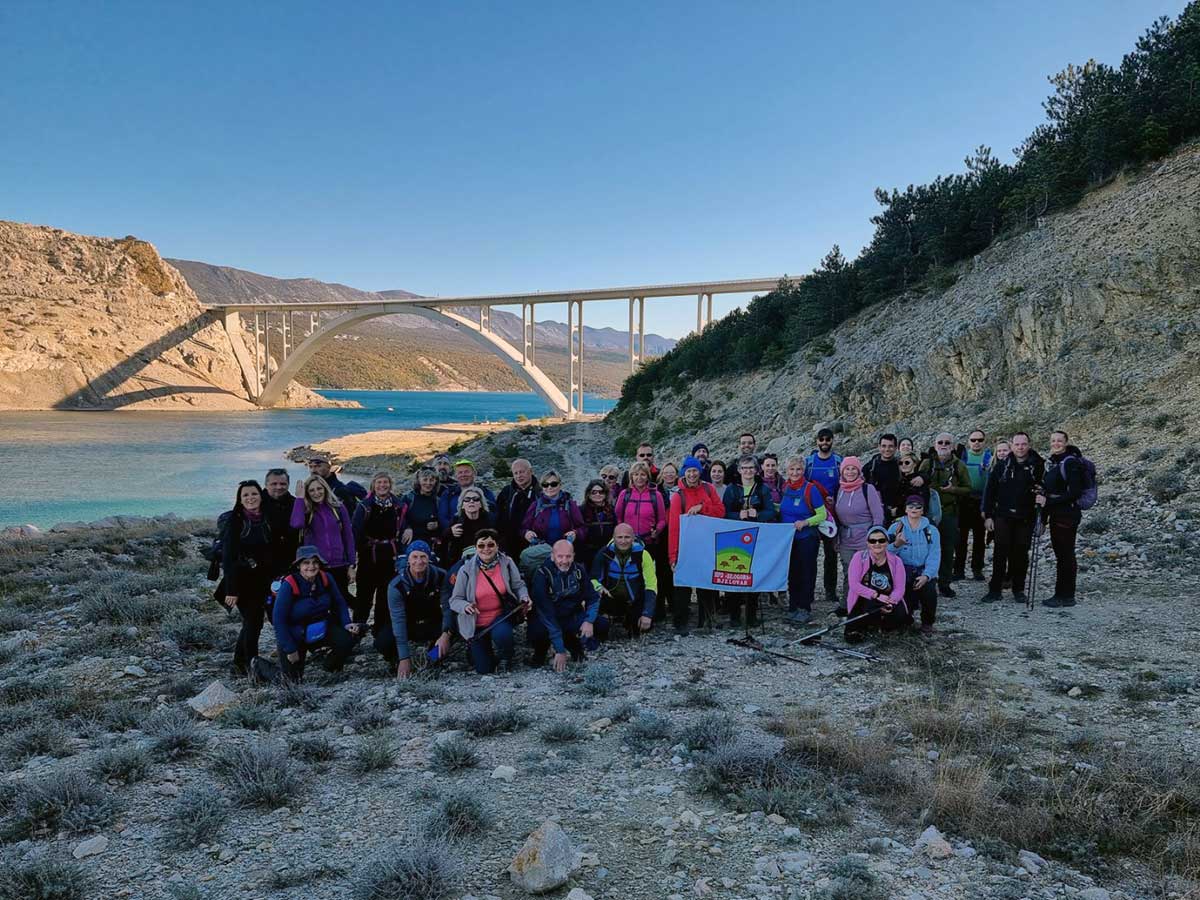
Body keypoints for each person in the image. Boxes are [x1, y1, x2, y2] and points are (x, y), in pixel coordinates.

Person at [271, 545, 363, 681]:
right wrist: (290, 649)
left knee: (347, 638)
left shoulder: (326, 578)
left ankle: (330, 667)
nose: (311, 566)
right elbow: (278, 620)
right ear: (298, 566)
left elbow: (339, 602)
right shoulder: (289, 584)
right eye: (306, 563)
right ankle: (259, 666)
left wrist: (346, 623)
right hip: (296, 634)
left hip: (321, 626)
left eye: (315, 562)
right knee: (291, 681)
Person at [448, 529, 532, 675]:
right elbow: (454, 600)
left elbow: (518, 586)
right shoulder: (465, 570)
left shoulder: (507, 563)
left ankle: (506, 656)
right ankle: (480, 652)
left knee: (502, 634)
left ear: (497, 546)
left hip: (501, 616)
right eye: (481, 545)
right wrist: (465, 606)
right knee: (484, 669)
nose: (486, 549)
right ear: (475, 548)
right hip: (476, 623)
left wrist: (524, 597)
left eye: (490, 545)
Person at [981, 432, 1044, 604]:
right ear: (1012, 445)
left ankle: (1018, 589)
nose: (1020, 448)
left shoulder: (1038, 465)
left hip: (1026, 517)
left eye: (1023, 444)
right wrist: (988, 516)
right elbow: (989, 492)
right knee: (1000, 553)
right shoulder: (1002, 466)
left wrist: (1042, 520)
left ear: (1029, 445)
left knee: (1021, 554)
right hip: (1003, 515)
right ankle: (995, 589)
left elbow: (1043, 493)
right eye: (1017, 444)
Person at [667, 456, 726, 633]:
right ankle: (680, 622)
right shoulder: (678, 496)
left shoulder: (708, 489)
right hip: (686, 546)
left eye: (695, 471)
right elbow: (674, 528)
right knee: (683, 586)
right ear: (683, 473)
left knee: (706, 583)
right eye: (689, 471)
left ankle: (706, 620)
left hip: (706, 544)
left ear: (699, 472)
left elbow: (721, 511)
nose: (692, 474)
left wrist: (702, 508)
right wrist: (673, 556)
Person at [221, 480, 274, 676]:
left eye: (254, 494)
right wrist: (231, 590)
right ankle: (253, 666)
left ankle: (239, 663)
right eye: (245, 495)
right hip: (242, 582)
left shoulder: (266, 518)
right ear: (240, 499)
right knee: (253, 622)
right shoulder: (236, 522)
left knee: (253, 622)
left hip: (263, 581)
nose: (250, 498)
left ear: (261, 496)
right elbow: (228, 559)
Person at [529, 540, 607, 671]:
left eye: (568, 556)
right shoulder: (542, 575)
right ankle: (540, 653)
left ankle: (575, 643)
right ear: (552, 556)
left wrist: (589, 621)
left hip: (571, 615)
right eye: (560, 556)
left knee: (602, 624)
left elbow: (593, 597)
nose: (564, 561)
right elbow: (546, 614)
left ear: (573, 556)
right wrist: (560, 650)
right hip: (548, 618)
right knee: (537, 632)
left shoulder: (579, 571)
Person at [381, 541, 453, 676]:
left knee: (454, 630)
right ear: (408, 559)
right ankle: (397, 660)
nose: (419, 561)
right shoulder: (396, 586)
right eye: (414, 557)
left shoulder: (441, 576)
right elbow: (398, 621)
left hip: (433, 622)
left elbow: (447, 608)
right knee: (383, 641)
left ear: (429, 558)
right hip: (408, 623)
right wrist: (404, 658)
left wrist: (445, 634)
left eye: (423, 557)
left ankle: (432, 658)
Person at [722, 455, 777, 626]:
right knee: (734, 575)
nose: (748, 471)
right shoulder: (731, 489)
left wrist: (758, 514)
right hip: (735, 536)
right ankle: (734, 616)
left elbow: (771, 511)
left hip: (757, 536)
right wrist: (737, 515)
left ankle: (751, 616)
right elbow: (724, 513)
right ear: (739, 470)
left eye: (751, 468)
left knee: (754, 575)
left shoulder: (762, 489)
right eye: (744, 468)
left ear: (756, 470)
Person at [291, 474, 357, 609]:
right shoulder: (306, 511)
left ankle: (350, 621)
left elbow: (348, 537)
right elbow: (296, 524)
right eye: (312, 490)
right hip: (316, 566)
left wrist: (351, 565)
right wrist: (299, 498)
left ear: (325, 489)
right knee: (320, 604)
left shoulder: (338, 508)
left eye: (319, 489)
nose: (316, 493)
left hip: (339, 564)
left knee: (340, 601)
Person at [352, 473, 409, 628]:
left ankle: (380, 629)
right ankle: (357, 628)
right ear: (373, 485)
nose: (382, 485)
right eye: (379, 482)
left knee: (385, 595)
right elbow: (355, 531)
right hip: (368, 555)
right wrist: (354, 558)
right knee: (364, 594)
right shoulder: (364, 506)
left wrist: (408, 528)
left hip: (390, 556)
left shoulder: (398, 506)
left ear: (390, 485)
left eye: (385, 482)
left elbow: (404, 524)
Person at [918, 433, 971, 597]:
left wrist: (953, 489)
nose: (943, 445)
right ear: (935, 445)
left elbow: (968, 488)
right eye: (940, 442)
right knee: (924, 548)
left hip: (949, 512)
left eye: (947, 442)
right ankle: (924, 583)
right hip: (927, 514)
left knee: (947, 549)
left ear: (953, 446)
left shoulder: (959, 465)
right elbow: (917, 482)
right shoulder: (927, 464)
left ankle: (944, 584)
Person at [777, 456, 828, 626]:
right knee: (792, 573)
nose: (795, 473)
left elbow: (822, 514)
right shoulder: (785, 488)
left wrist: (806, 522)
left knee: (807, 572)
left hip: (807, 538)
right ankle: (793, 607)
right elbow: (783, 509)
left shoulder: (810, 489)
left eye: (798, 469)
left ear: (803, 470)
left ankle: (805, 608)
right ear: (787, 471)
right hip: (788, 539)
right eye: (791, 469)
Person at [1038, 430, 1085, 608]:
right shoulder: (1055, 462)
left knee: (1065, 555)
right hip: (1058, 514)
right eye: (1053, 441)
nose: (1056, 443)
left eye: (1059, 441)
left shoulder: (1070, 462)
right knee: (1063, 554)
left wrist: (1049, 501)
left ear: (1066, 443)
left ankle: (1065, 596)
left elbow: (1075, 492)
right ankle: (1064, 594)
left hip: (1066, 515)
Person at [616, 461, 669, 618]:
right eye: (636, 474)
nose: (639, 478)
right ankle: (630, 611)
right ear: (631, 476)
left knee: (650, 577)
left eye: (643, 474)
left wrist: (657, 531)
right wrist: (623, 535)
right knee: (631, 576)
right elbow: (618, 517)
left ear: (647, 476)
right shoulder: (624, 494)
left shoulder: (655, 495)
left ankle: (653, 611)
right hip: (628, 544)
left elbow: (662, 519)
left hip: (649, 544)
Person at [833, 456, 884, 613]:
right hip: (845, 537)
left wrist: (875, 540)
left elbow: (878, 516)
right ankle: (846, 604)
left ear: (859, 471)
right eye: (847, 469)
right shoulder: (839, 489)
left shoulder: (868, 489)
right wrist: (836, 538)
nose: (850, 472)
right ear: (842, 472)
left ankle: (868, 604)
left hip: (865, 538)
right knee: (849, 571)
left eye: (853, 469)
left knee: (866, 571)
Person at [845, 526, 910, 642]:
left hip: (888, 598)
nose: (877, 544)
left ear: (887, 542)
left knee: (899, 615)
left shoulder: (896, 561)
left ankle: (884, 627)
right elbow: (854, 584)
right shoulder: (859, 557)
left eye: (881, 540)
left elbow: (899, 588)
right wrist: (876, 595)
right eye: (872, 541)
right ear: (867, 543)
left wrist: (891, 602)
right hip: (866, 597)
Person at [591, 523, 657, 637]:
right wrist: (599, 587)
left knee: (641, 628)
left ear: (633, 538)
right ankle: (607, 619)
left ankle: (629, 620)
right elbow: (592, 578)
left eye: (627, 537)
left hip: (634, 599)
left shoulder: (643, 555)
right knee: (600, 629)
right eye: (619, 537)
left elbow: (651, 586)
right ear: (613, 537)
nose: (623, 541)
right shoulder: (604, 553)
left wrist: (647, 614)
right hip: (610, 598)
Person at [887, 496, 941, 635]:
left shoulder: (931, 530)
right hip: (902, 571)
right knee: (905, 600)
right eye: (910, 506)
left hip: (923, 569)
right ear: (905, 509)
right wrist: (896, 545)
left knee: (929, 594)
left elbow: (934, 554)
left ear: (923, 510)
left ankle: (927, 623)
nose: (914, 509)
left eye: (918, 507)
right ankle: (905, 620)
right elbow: (885, 553)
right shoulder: (895, 528)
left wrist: (927, 575)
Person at [805, 427, 843, 604]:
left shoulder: (838, 461)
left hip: (833, 514)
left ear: (832, 440)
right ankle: (809, 591)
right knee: (810, 555)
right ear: (817, 441)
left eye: (828, 439)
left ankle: (830, 591)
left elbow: (844, 484)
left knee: (831, 554)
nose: (825, 443)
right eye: (822, 439)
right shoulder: (809, 463)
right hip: (813, 514)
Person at [954, 429, 991, 582]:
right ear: (968, 441)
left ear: (984, 441)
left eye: (980, 440)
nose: (976, 443)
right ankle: (959, 570)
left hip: (981, 501)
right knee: (961, 538)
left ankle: (977, 569)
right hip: (964, 500)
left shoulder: (990, 457)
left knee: (979, 538)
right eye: (973, 440)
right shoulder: (962, 457)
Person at [522, 470, 585, 546]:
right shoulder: (535, 505)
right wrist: (527, 533)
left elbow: (582, 528)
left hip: (564, 549)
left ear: (560, 485)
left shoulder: (570, 505)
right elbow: (523, 528)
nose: (549, 487)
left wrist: (575, 533)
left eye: (553, 484)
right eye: (545, 485)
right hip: (540, 548)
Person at [495, 457, 537, 557]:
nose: (519, 476)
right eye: (516, 473)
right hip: (508, 544)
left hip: (532, 542)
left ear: (531, 471)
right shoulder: (506, 492)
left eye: (522, 472)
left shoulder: (541, 492)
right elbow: (498, 516)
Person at [437, 460, 497, 529]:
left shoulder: (485, 493)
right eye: (460, 472)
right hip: (456, 533)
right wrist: (451, 530)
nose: (463, 475)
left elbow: (493, 515)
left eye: (466, 472)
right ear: (456, 476)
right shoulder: (448, 494)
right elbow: (442, 517)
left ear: (474, 474)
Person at [261, 468, 299, 577]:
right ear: (266, 485)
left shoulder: (295, 504)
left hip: (290, 562)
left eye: (283, 484)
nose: (279, 487)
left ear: (288, 485)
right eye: (274, 484)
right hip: (262, 562)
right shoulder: (257, 503)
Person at [445, 486, 495, 563]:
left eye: (476, 499)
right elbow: (444, 540)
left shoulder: (490, 520)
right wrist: (450, 532)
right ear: (462, 505)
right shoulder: (457, 521)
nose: (471, 501)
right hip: (462, 560)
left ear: (481, 504)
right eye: (467, 499)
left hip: (487, 558)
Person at [400, 467, 443, 551]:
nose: (428, 483)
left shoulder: (437, 501)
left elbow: (443, 521)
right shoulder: (408, 498)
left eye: (431, 480)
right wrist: (407, 527)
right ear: (419, 481)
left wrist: (437, 525)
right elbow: (400, 517)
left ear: (436, 482)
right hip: (409, 542)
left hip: (429, 544)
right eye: (425, 479)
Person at [578, 478, 617, 571]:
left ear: (605, 494)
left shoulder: (611, 510)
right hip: (588, 552)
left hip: (607, 550)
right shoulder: (581, 510)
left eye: (601, 492)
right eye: (594, 492)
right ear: (588, 494)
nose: (597, 494)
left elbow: (616, 528)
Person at [863, 434, 902, 523]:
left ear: (896, 448)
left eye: (890, 446)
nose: (887, 449)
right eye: (884, 446)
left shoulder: (901, 465)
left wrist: (922, 477)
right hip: (875, 511)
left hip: (896, 511)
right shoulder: (870, 467)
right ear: (879, 447)